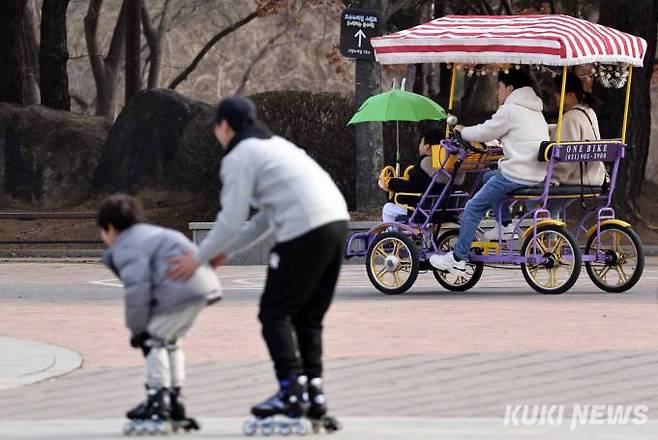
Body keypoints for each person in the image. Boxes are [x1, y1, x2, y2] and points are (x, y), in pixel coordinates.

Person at [167, 96, 349, 432]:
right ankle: (314, 393)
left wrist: (198, 257)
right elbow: (262, 221)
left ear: (225, 126)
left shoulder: (239, 155)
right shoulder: (277, 147)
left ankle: (290, 391)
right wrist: (227, 252)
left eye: (216, 130)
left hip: (304, 231)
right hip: (336, 225)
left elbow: (232, 218)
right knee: (308, 317)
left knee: (274, 313)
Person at [98, 194, 221, 434]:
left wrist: (138, 329)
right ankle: (176, 399)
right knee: (171, 342)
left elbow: (137, 289)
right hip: (203, 287)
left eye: (102, 232)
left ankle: (157, 398)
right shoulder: (154, 233)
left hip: (180, 291)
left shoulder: (127, 245)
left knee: (154, 339)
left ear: (110, 228)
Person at [430, 70, 550, 275]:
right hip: (536, 174)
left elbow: (485, 131)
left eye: (499, 87)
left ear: (509, 88)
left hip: (515, 174)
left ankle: (458, 259)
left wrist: (462, 130)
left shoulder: (510, 110)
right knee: (487, 177)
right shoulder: (535, 110)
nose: (497, 92)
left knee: (472, 208)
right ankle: (506, 226)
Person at [547, 73, 606, 218]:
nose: (555, 96)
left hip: (577, 179)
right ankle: (551, 236)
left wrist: (552, 178)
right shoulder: (588, 112)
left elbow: (564, 162)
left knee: (537, 202)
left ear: (571, 95)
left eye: (558, 92)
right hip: (595, 176)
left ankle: (549, 236)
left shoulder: (570, 117)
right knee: (552, 208)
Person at [378, 128, 446, 222]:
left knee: (388, 208)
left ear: (428, 147)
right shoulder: (446, 165)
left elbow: (411, 187)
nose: (420, 145)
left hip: (424, 211)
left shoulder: (425, 165)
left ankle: (391, 235)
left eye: (421, 142)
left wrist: (390, 182)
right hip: (443, 210)